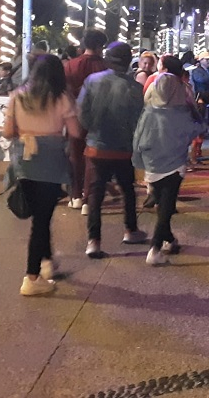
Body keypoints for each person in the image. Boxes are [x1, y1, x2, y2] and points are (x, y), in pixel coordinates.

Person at [2, 54, 82, 296]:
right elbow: (75, 132)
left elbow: (8, 132)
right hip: (51, 162)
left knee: (40, 217)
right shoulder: (61, 98)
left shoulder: (17, 96)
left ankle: (47, 261)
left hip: (25, 161)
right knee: (41, 220)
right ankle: (31, 277)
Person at [78, 42, 147, 258]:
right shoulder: (135, 88)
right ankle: (130, 230)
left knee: (96, 194)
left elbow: (82, 112)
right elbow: (139, 121)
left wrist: (93, 129)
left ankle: (94, 241)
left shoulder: (92, 81)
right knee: (127, 189)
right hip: (124, 148)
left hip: (97, 146)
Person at [133, 70, 205, 265]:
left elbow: (138, 137)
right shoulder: (181, 113)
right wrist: (194, 110)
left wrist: (138, 162)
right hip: (174, 164)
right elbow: (199, 129)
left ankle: (170, 240)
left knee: (162, 205)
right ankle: (155, 248)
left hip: (152, 164)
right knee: (165, 207)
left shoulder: (148, 111)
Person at [64, 29, 108, 211]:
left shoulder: (70, 65)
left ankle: (75, 195)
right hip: (99, 117)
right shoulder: (106, 67)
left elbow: (65, 91)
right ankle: (88, 199)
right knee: (93, 157)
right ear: (99, 46)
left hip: (75, 115)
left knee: (75, 156)